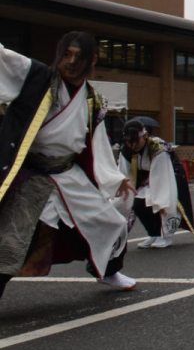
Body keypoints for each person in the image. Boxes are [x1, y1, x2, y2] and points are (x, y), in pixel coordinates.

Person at [0, 31, 137, 300]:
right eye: (67, 54)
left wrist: (113, 177)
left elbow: (96, 141)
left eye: (79, 56)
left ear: (92, 60)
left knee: (111, 223)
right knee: (12, 240)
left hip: (66, 173)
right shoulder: (35, 76)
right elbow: (3, 58)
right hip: (30, 174)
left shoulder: (92, 99)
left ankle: (108, 272)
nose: (72, 61)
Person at [117, 119, 194, 249]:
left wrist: (160, 201)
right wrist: (120, 185)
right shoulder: (127, 148)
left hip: (168, 174)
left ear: (144, 136)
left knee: (159, 203)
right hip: (145, 177)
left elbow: (160, 177)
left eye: (137, 141)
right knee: (138, 204)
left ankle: (165, 236)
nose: (133, 146)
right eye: (129, 141)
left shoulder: (158, 147)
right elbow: (123, 171)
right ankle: (153, 234)